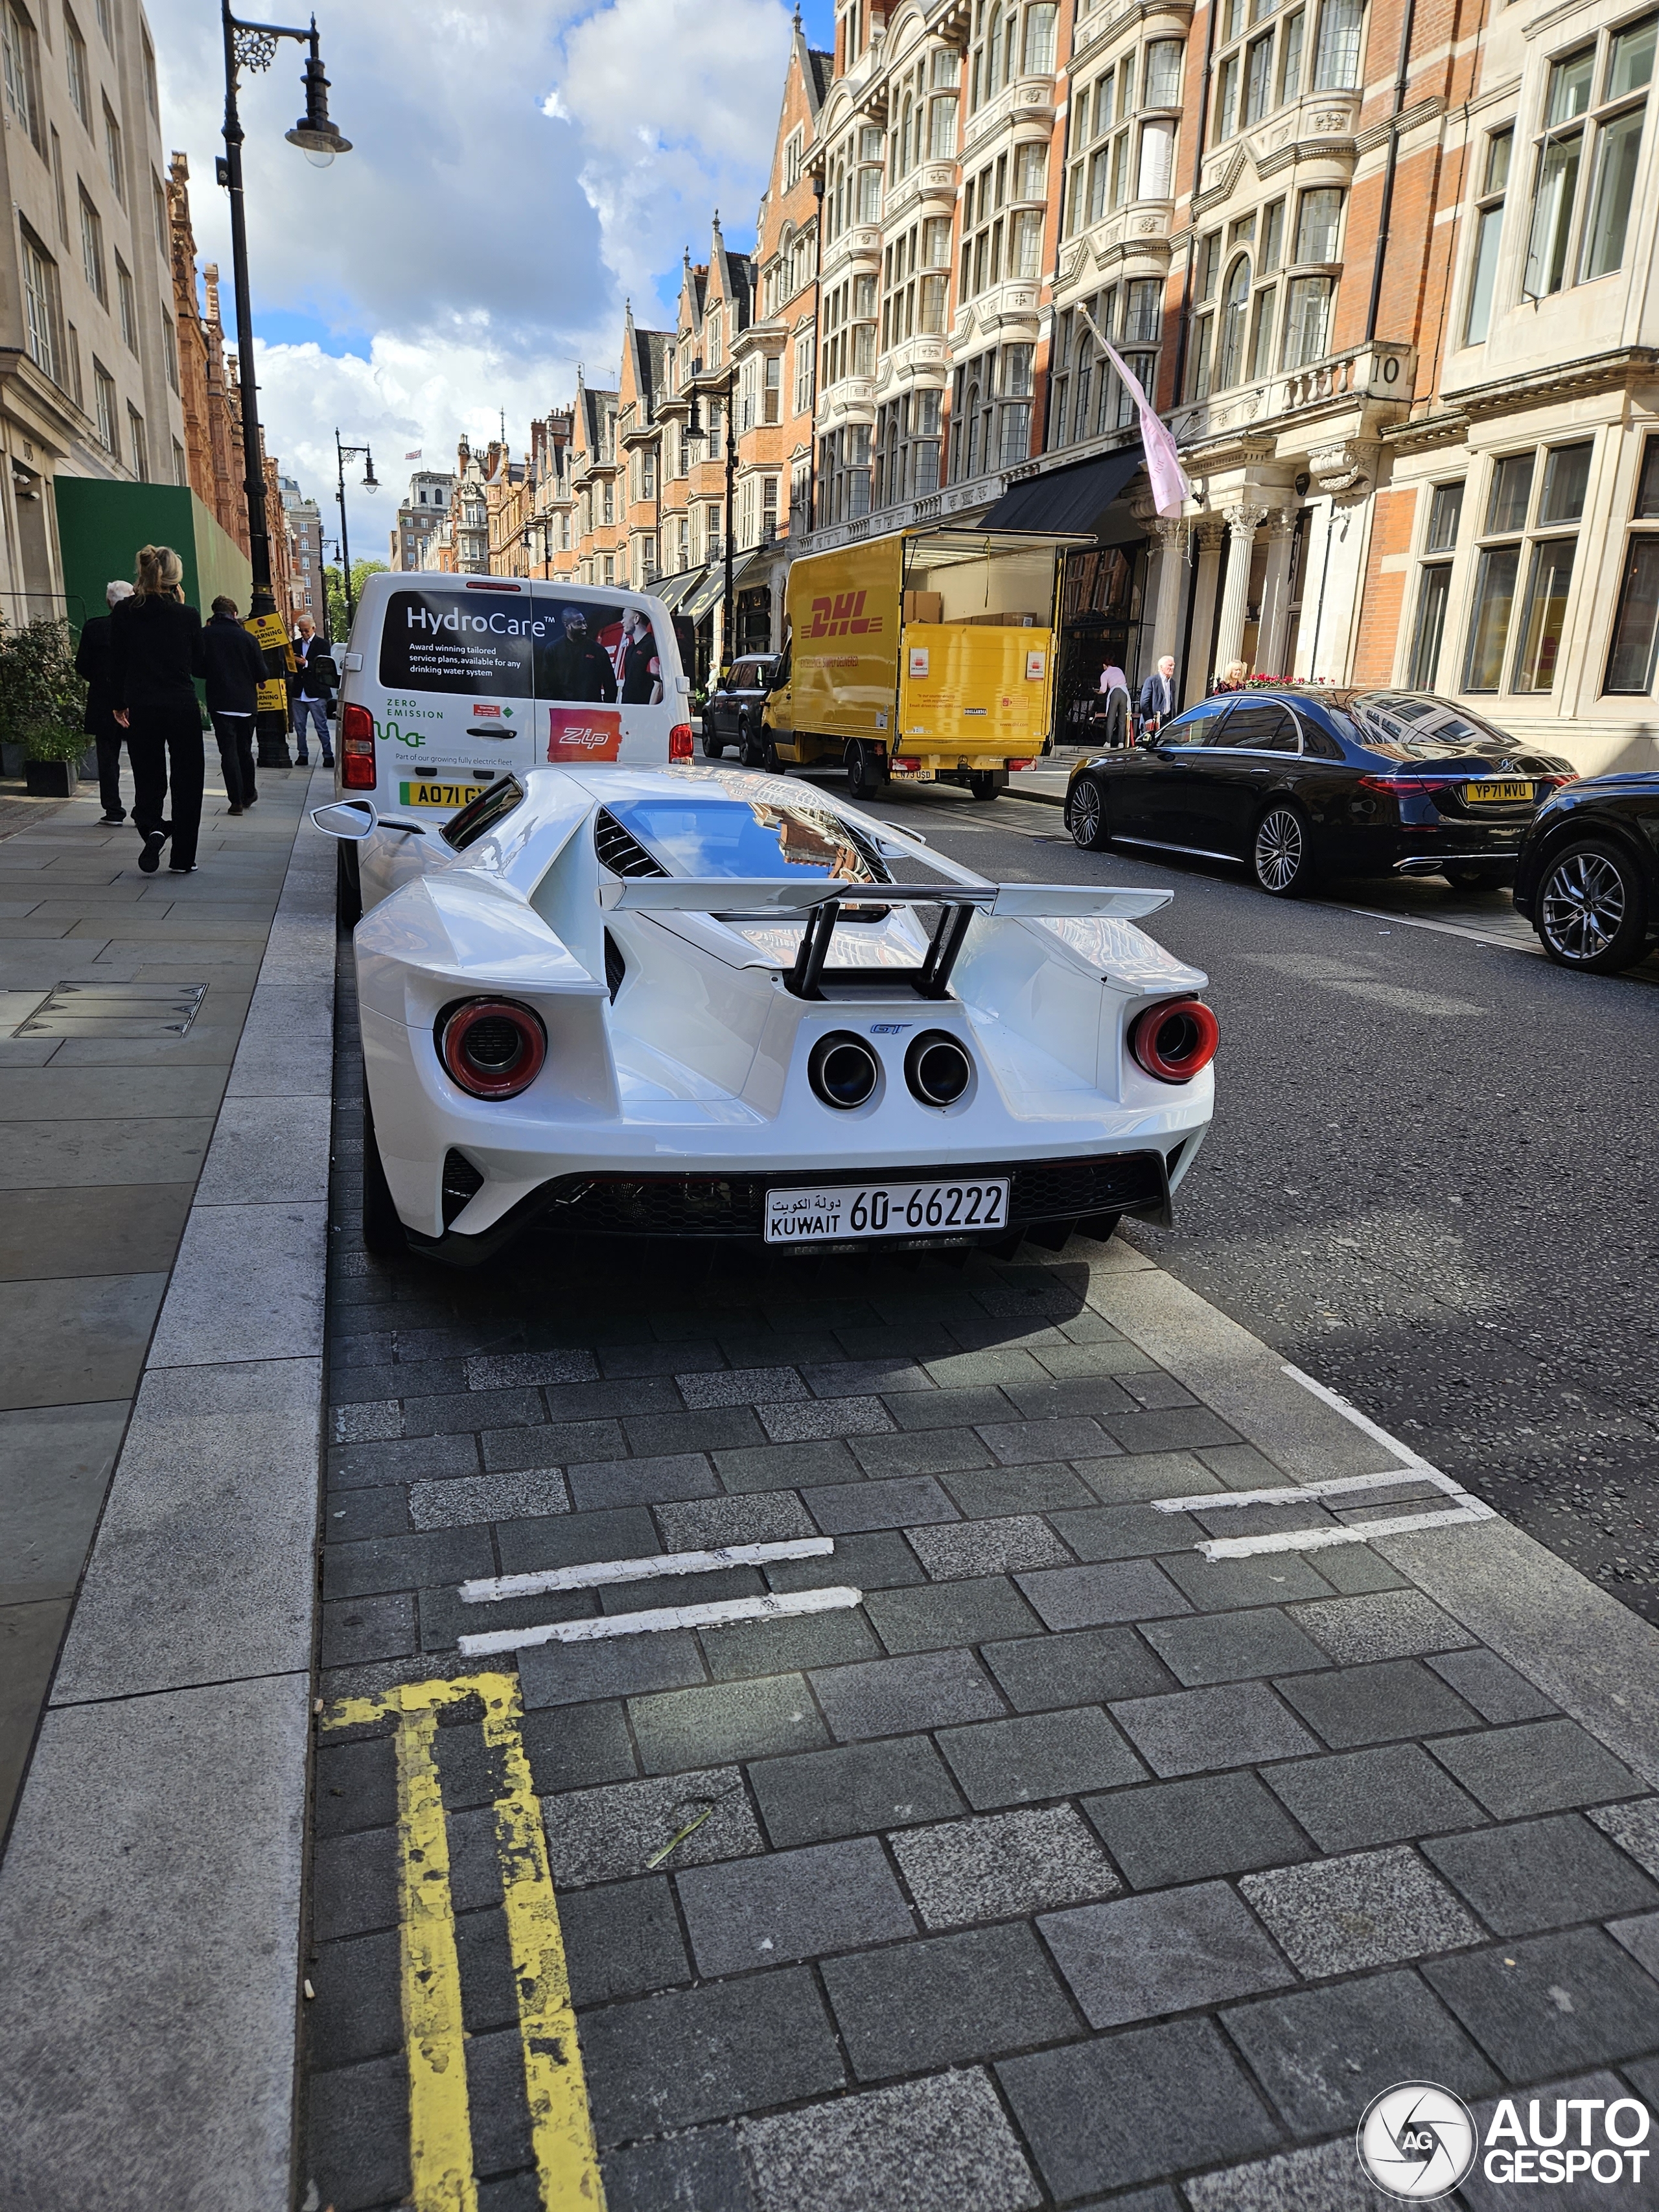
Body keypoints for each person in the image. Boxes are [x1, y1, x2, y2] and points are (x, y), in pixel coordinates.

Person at [108, 544, 207, 876]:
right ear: (175, 579)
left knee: (148, 777)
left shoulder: (124, 611)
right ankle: (183, 858)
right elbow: (200, 665)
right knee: (188, 780)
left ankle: (152, 826)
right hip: (180, 704)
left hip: (142, 705)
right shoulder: (187, 614)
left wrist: (118, 704)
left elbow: (117, 663)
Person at [74, 581, 135, 824]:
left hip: (103, 699)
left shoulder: (94, 628)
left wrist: (100, 681)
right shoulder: (139, 628)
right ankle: (146, 809)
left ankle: (113, 810)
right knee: (144, 756)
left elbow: (82, 665)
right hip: (135, 699)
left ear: (109, 602)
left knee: (107, 758)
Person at [202, 594, 268, 815]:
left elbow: (196, 667)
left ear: (214, 612)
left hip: (221, 702)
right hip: (246, 703)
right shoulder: (248, 639)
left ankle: (236, 801)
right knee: (245, 750)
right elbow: (262, 674)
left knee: (228, 752)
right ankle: (249, 793)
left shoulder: (206, 635)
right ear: (235, 614)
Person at [543, 605, 618, 703]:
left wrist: (607, 709)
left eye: (584, 622)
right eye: (579, 624)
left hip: (591, 710)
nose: (584, 627)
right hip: (563, 711)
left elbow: (610, 684)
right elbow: (547, 686)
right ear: (567, 626)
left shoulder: (598, 650)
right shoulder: (553, 649)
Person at [291, 612, 335, 767]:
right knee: (299, 727)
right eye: (301, 630)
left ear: (313, 628)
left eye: (306, 630)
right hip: (299, 692)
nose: (304, 634)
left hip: (316, 692)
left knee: (321, 726)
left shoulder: (322, 644)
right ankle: (302, 754)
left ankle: (328, 755)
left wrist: (307, 664)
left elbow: (325, 667)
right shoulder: (295, 645)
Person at [618, 607, 663, 705]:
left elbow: (658, 684)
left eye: (625, 617)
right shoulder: (631, 648)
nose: (622, 622)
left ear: (636, 619)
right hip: (628, 708)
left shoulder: (652, 646)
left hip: (643, 710)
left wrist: (650, 711)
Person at [1095, 660, 1130, 749]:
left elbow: (1103, 690)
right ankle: (1121, 743)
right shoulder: (1118, 670)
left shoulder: (1105, 674)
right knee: (1122, 720)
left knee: (1111, 718)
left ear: (1104, 665)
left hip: (1114, 692)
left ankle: (1108, 742)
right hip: (1124, 693)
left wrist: (1097, 692)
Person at [1139, 654, 1176, 731]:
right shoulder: (1151, 681)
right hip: (1153, 721)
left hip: (1166, 721)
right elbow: (1144, 702)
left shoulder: (1172, 683)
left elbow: (1172, 704)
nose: (1172, 668)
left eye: (1173, 665)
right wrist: (1148, 719)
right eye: (1170, 665)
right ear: (1161, 667)